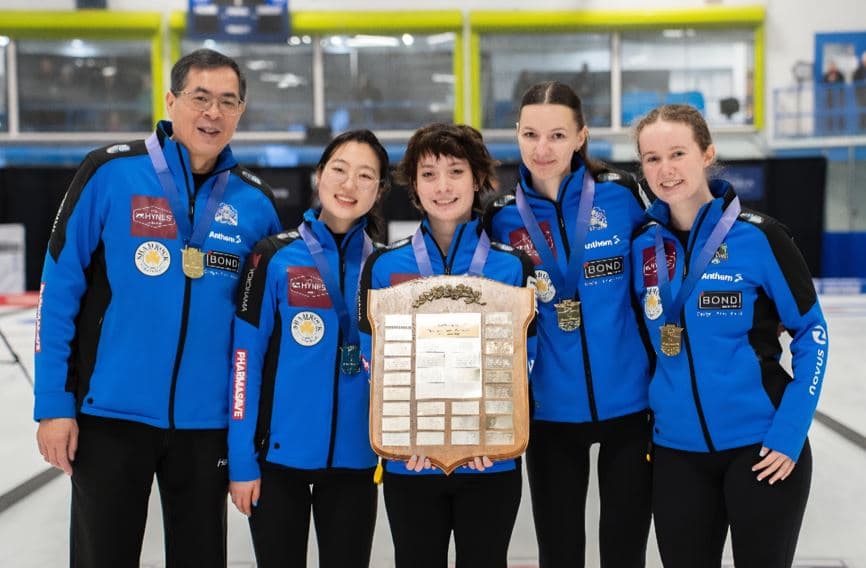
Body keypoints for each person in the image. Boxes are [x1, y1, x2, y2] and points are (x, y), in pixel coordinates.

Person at [33, 49, 282, 567]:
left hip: (204, 425)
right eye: (200, 98)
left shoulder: (254, 203)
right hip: (109, 416)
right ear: (171, 101)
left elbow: (260, 332)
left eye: (227, 102)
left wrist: (247, 435)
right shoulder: (110, 172)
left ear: (241, 112)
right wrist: (54, 403)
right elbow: (59, 287)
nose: (213, 113)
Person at [631, 104, 828, 567]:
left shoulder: (759, 238)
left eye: (677, 153)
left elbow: (811, 332)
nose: (665, 169)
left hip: (760, 448)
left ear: (707, 154)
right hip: (676, 454)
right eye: (651, 158)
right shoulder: (642, 246)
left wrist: (790, 431)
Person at [483, 80, 653, 567]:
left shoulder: (621, 196)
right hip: (548, 414)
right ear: (516, 134)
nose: (543, 148)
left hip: (629, 407)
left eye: (557, 135)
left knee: (625, 550)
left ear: (581, 136)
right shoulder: (498, 218)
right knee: (559, 551)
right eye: (531, 134)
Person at [358, 123, 536, 568]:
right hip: (411, 461)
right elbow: (372, 361)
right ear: (413, 185)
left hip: (489, 460)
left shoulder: (511, 265)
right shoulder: (383, 265)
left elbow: (522, 362)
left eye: (455, 171)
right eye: (429, 173)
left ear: (477, 179)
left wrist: (491, 434)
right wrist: (404, 434)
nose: (443, 186)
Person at [227, 129, 390, 568]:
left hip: (357, 464)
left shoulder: (386, 266)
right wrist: (242, 459)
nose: (348, 185)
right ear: (319, 176)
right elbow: (245, 361)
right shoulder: (273, 257)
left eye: (364, 176)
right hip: (278, 463)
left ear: (378, 190)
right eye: (338, 170)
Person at [852, 52, 866, 130]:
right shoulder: (858, 71)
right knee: (862, 113)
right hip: (861, 97)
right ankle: (862, 129)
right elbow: (855, 81)